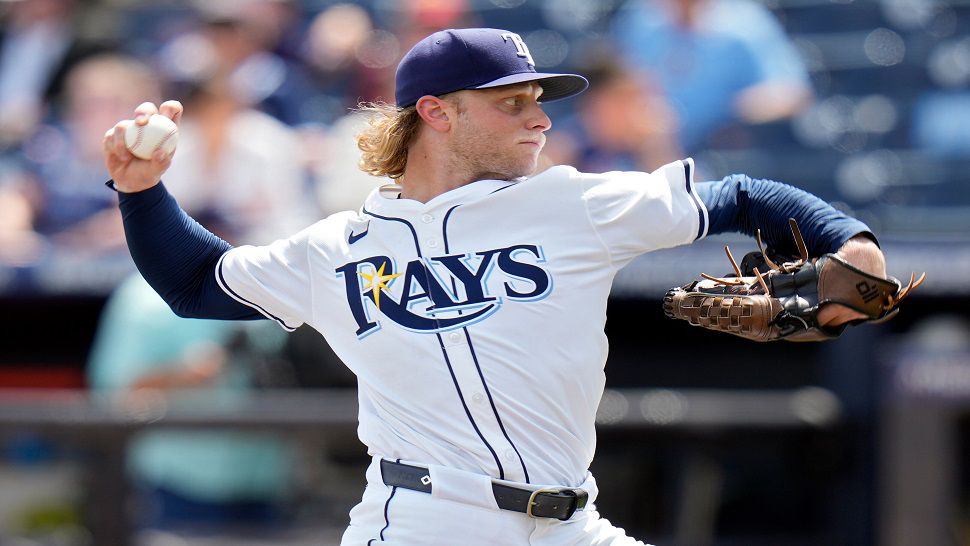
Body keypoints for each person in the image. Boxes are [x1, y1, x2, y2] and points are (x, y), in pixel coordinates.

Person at [102, 28, 887, 545]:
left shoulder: (574, 204)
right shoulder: (336, 249)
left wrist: (853, 246)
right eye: (512, 102)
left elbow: (745, 197)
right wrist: (141, 192)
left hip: (572, 522)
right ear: (437, 113)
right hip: (425, 520)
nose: (538, 119)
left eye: (539, 102)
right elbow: (198, 281)